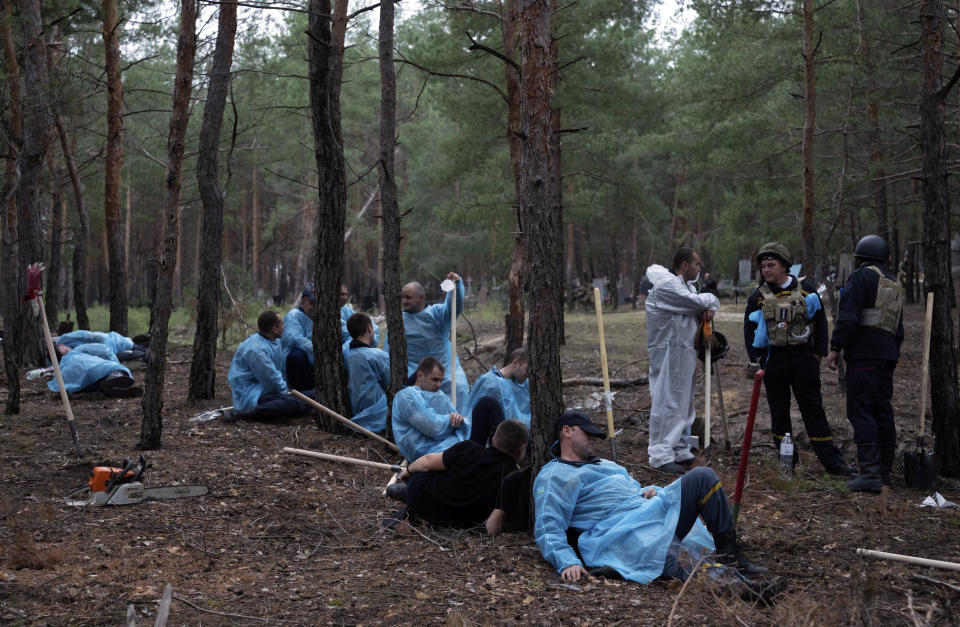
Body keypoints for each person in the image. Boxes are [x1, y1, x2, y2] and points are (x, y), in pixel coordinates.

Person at [533, 412, 780, 599]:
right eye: (587, 433)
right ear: (566, 431)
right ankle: (742, 589)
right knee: (667, 551)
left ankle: (731, 556)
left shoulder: (606, 465)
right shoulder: (555, 475)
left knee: (702, 476)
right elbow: (548, 524)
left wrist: (649, 491)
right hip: (616, 532)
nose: (593, 440)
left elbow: (630, 490)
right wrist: (567, 561)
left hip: (647, 511)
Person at [744, 242, 852, 476]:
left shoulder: (805, 290)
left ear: (784, 266)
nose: (766, 270)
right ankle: (787, 463)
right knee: (779, 413)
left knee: (813, 411)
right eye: (763, 266)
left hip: (803, 360)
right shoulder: (758, 297)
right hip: (774, 361)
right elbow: (749, 327)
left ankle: (833, 464)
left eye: (771, 265)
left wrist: (818, 354)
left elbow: (821, 321)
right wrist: (756, 358)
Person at [827, 235, 904, 492]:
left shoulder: (860, 278)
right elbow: (898, 328)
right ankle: (883, 472)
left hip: (863, 355)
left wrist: (836, 346)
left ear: (860, 258)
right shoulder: (894, 283)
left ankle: (869, 473)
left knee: (861, 409)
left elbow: (848, 317)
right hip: (887, 355)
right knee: (882, 409)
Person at [645, 248, 719, 473]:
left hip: (682, 354)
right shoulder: (667, 286)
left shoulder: (683, 286)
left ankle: (679, 449)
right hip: (669, 356)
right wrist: (712, 300)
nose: (699, 269)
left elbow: (695, 304)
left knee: (684, 403)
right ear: (685, 265)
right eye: (697, 265)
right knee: (668, 403)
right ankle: (660, 454)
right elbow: (696, 303)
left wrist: (706, 306)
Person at [387, 419, 530, 532]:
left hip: (423, 498)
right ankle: (403, 492)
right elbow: (496, 522)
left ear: (493, 439)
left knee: (438, 468)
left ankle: (403, 491)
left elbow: (427, 462)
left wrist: (408, 471)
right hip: (457, 521)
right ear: (522, 448)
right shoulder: (513, 477)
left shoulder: (468, 449)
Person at [391, 357, 501, 461]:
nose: (438, 385)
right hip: (438, 454)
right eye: (435, 380)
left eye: (441, 381)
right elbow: (431, 426)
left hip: (455, 445)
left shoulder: (438, 395)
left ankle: (500, 457)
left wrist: (458, 420)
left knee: (488, 405)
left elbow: (455, 421)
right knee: (488, 404)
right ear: (420, 376)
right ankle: (501, 458)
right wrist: (451, 419)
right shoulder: (406, 396)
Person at [394, 273, 469, 413]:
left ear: (421, 298)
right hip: (414, 370)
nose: (404, 301)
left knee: (459, 387)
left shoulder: (436, 314)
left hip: (445, 367)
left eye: (408, 297)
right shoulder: (398, 321)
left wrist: (456, 286)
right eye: (402, 297)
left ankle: (459, 426)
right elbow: (390, 351)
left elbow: (454, 307)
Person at [227, 310, 315, 421]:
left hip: (265, 390)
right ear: (274, 329)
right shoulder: (257, 351)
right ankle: (247, 414)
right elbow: (271, 379)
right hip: (252, 394)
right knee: (293, 403)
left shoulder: (274, 341)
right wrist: (286, 394)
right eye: (282, 324)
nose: (284, 327)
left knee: (312, 395)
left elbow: (279, 372)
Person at [344, 312, 390, 434]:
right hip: (378, 412)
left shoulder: (346, 355)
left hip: (355, 411)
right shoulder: (378, 355)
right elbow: (391, 382)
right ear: (369, 328)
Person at [463, 347, 530, 427]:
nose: (529, 374)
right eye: (526, 369)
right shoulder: (490, 383)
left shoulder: (524, 383)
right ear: (515, 363)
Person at [48, 343, 140, 398]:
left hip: (83, 384)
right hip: (94, 368)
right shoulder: (76, 351)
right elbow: (104, 349)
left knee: (93, 383)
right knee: (115, 370)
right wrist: (115, 363)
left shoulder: (59, 371)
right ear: (63, 351)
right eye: (62, 346)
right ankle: (115, 377)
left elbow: (58, 387)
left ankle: (109, 389)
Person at [282, 286, 316, 391]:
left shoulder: (327, 317)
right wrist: (318, 351)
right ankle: (299, 393)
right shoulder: (294, 316)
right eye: (312, 303)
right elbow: (294, 338)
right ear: (302, 302)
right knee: (297, 356)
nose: (316, 307)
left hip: (315, 362)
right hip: (299, 364)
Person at [55, 330, 147, 362]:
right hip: (108, 352)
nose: (70, 353)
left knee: (138, 350)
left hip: (112, 344)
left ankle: (142, 347)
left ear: (61, 345)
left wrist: (107, 350)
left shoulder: (69, 340)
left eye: (66, 351)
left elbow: (90, 335)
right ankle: (140, 345)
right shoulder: (72, 355)